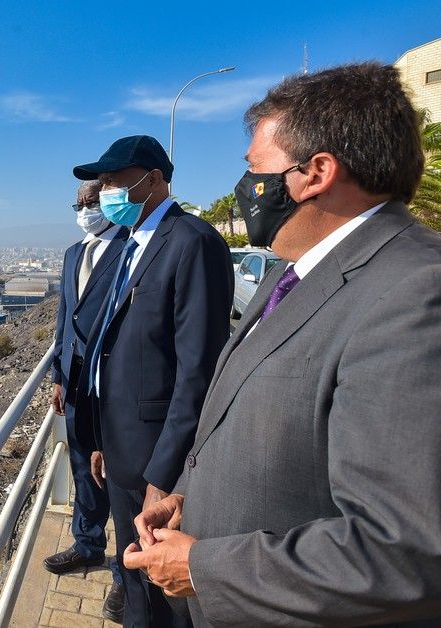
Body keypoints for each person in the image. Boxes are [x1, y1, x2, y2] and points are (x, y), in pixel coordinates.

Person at [124, 62, 441, 626]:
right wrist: (191, 496)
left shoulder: (415, 296)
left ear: (315, 172)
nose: (245, 189)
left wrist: (204, 567)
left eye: (255, 170)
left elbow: (401, 550)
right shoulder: (291, 274)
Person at [74, 135, 233, 626]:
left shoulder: (193, 242)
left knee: (168, 594)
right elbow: (110, 347)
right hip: (121, 450)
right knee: (135, 579)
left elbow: (197, 373)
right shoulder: (128, 244)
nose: (107, 193)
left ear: (154, 180)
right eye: (104, 184)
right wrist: (101, 440)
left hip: (157, 461)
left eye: (117, 182)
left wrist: (163, 476)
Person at [47, 180, 126, 620]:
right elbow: (64, 318)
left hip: (117, 385)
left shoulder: (132, 249)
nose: (83, 210)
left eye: (91, 202)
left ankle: (126, 575)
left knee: (123, 473)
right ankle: (88, 543)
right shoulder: (74, 253)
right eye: (77, 203)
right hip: (75, 382)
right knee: (82, 465)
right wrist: (58, 374)